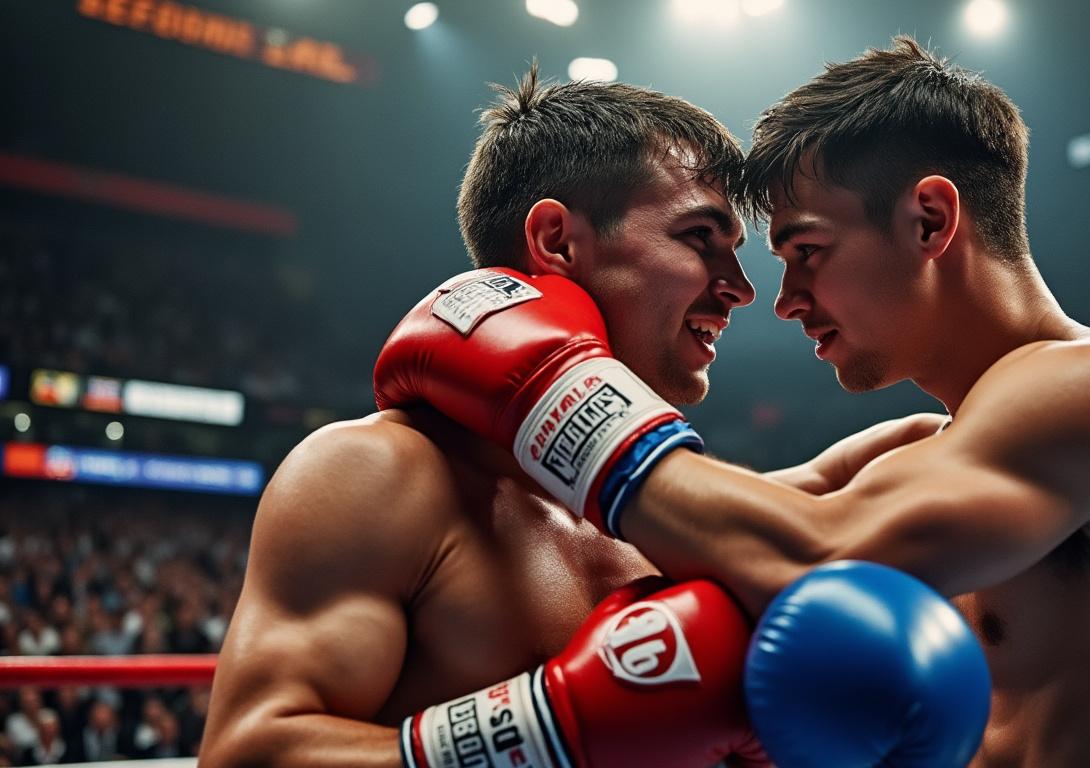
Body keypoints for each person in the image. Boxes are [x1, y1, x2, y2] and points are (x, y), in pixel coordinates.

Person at [376, 38, 1090, 767]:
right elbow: (726, 542)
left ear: (928, 221)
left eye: (807, 250)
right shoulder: (936, 455)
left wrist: (553, 393)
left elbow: (821, 556)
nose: (785, 297)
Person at [203, 65, 990, 768]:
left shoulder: (673, 509)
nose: (740, 287)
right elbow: (250, 751)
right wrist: (549, 730)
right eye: (699, 238)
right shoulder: (379, 474)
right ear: (556, 240)